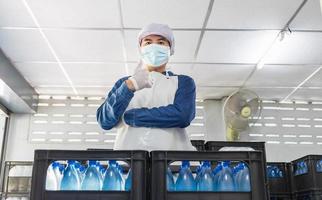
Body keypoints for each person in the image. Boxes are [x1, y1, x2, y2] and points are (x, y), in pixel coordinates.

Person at [96, 23, 196, 151]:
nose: (154, 47)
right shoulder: (124, 83)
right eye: (148, 43)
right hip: (129, 162)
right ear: (141, 49)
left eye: (161, 43)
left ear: (170, 49)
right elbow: (105, 121)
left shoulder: (183, 82)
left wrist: (135, 116)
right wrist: (129, 86)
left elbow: (183, 115)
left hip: (172, 163)